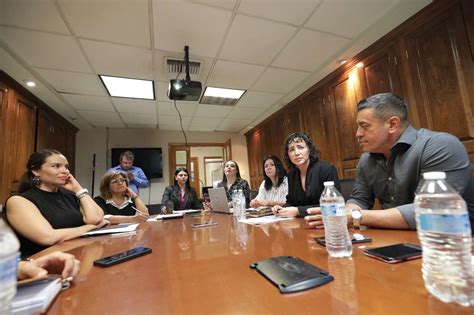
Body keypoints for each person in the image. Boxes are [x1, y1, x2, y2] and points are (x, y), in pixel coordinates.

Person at [305, 92, 473, 230]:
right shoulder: (366, 159)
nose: (357, 134)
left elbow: (432, 211)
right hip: (395, 241)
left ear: (392, 124)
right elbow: (360, 199)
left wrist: (355, 216)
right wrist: (341, 213)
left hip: (452, 243)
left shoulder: (439, 145)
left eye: (364, 126)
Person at [4, 149, 106, 258]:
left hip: (77, 255)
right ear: (36, 171)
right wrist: (88, 228)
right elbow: (48, 237)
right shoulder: (19, 201)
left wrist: (78, 189)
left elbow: (96, 219)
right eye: (56, 166)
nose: (65, 171)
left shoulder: (70, 196)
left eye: (66, 167)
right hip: (43, 263)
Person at [272, 132, 340, 219]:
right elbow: (291, 202)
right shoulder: (291, 175)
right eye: (291, 150)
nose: (296, 153)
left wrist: (298, 211)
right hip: (302, 223)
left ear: (309, 149)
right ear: (288, 155)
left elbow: (333, 205)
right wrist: (282, 208)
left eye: (300, 147)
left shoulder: (327, 169)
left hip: (325, 222)